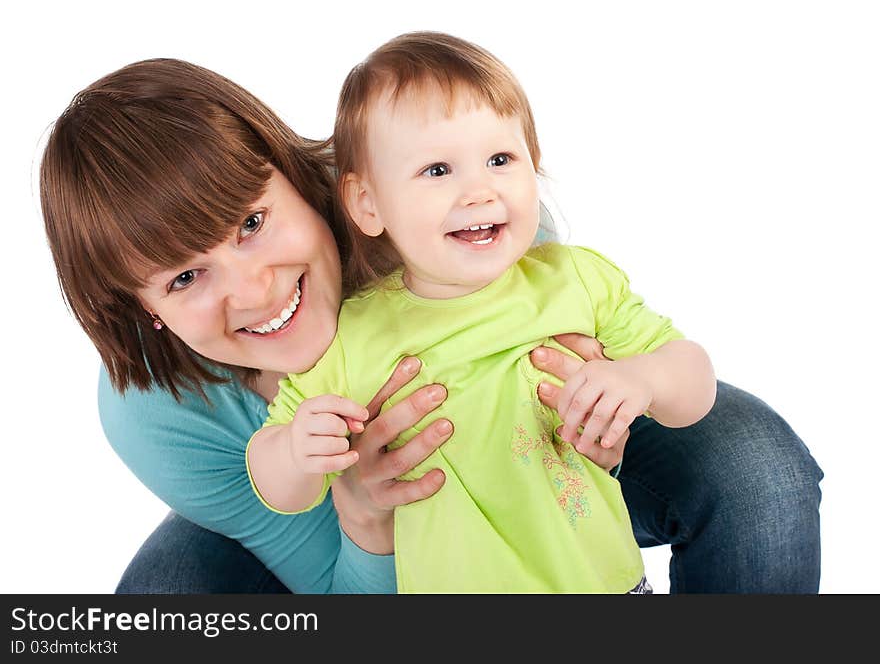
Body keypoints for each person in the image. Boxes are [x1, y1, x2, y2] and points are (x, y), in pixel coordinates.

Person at [39, 57, 823, 594]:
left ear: (304, 178)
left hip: (529, 451)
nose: (253, 289)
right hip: (335, 529)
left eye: (251, 221)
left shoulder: (448, 219)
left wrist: (600, 423)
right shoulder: (152, 413)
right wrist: (365, 513)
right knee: (160, 599)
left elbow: (641, 375)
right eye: (183, 276)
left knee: (756, 467)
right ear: (142, 308)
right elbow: (333, 583)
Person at [247, 32, 717, 593]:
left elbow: (694, 383)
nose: (479, 190)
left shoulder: (573, 280)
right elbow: (277, 483)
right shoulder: (356, 333)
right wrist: (299, 451)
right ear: (368, 204)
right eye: (438, 170)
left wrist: (642, 377)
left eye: (500, 159)